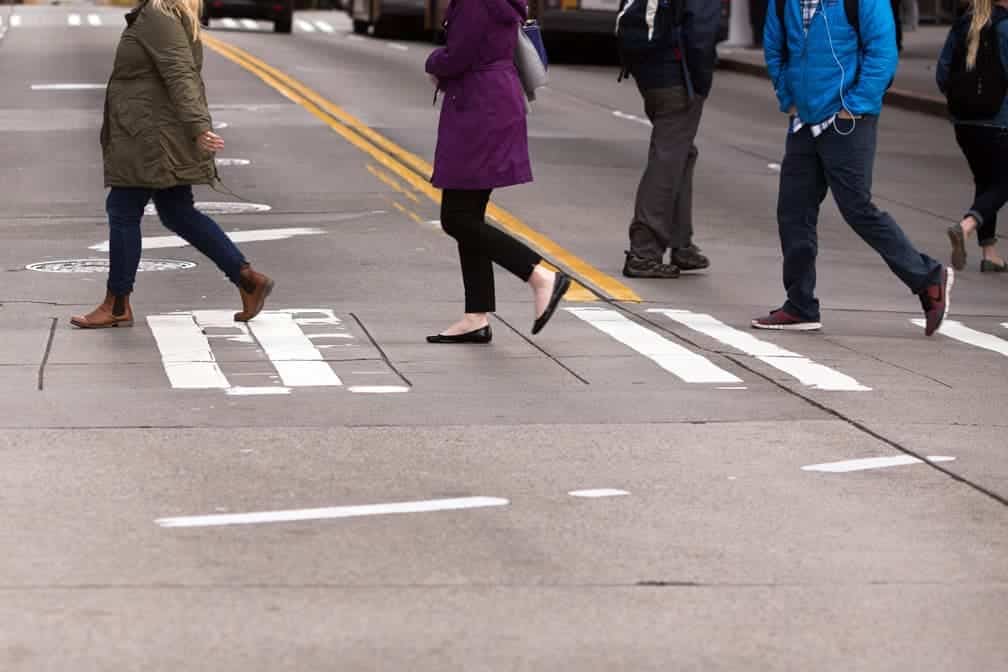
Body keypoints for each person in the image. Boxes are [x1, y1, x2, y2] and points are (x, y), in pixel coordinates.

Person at [71, 0, 273, 329]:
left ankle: (117, 303)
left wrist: (198, 127)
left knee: (122, 209)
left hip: (149, 136)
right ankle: (247, 279)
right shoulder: (166, 13)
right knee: (177, 211)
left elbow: (180, 73)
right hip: (154, 130)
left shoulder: (158, 15)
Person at [755, 0, 952, 335]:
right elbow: (775, 46)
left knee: (857, 208)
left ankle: (929, 277)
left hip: (848, 119)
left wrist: (856, 105)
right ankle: (800, 306)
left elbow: (882, 53)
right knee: (793, 211)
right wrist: (786, 96)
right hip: (804, 121)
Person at [423, 0, 570, 344]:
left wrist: (433, 62)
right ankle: (475, 316)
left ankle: (539, 276)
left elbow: (460, 55)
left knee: (457, 217)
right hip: (491, 102)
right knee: (468, 214)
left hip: (480, 110)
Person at [621, 0, 721, 279]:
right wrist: (701, 83)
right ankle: (644, 251)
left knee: (681, 153)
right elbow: (701, 31)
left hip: (648, 69)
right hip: (677, 74)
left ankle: (681, 243)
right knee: (668, 157)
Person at [938, 0, 1008, 273]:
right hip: (999, 121)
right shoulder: (1005, 28)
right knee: (1002, 182)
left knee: (986, 181)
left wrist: (963, 100)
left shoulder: (961, 25)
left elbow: (943, 74)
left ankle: (989, 253)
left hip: (964, 123)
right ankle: (966, 225)